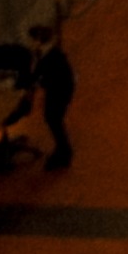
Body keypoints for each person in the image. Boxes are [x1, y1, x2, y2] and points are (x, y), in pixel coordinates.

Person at [22, 22, 76, 169]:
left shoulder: (50, 57)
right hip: (59, 90)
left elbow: (43, 76)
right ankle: (63, 150)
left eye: (32, 40)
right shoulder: (48, 53)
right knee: (53, 119)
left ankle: (64, 152)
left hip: (59, 91)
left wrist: (35, 83)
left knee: (53, 119)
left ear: (38, 40)